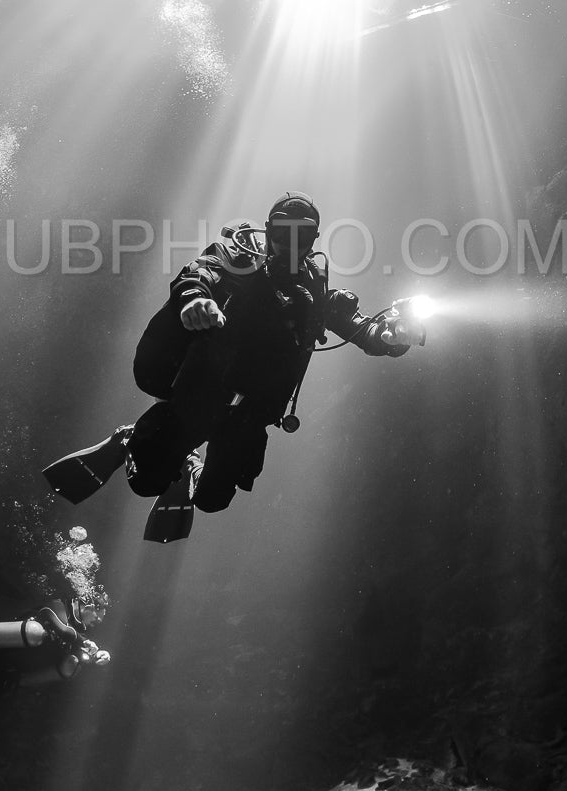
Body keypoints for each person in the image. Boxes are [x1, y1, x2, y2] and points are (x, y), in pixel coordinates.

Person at [44, 192, 426, 539]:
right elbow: (198, 273)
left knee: (212, 500)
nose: (290, 243)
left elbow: (356, 327)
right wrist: (197, 300)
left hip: (250, 415)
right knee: (144, 482)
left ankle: (190, 466)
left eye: (303, 235)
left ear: (314, 239)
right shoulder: (239, 261)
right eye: (282, 231)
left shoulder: (313, 288)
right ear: (268, 230)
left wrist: (388, 337)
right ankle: (131, 438)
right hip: (201, 396)